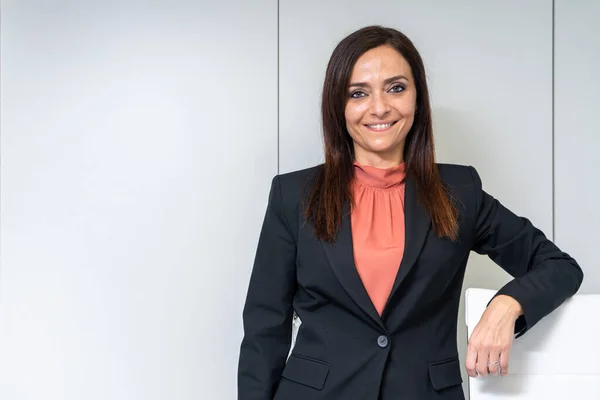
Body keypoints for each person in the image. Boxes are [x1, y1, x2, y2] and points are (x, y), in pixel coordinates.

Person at [237, 25, 584, 400]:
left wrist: (506, 305)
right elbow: (264, 329)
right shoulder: (293, 195)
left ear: (418, 98)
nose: (380, 107)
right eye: (358, 93)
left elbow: (559, 266)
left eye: (396, 87)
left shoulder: (459, 192)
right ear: (338, 106)